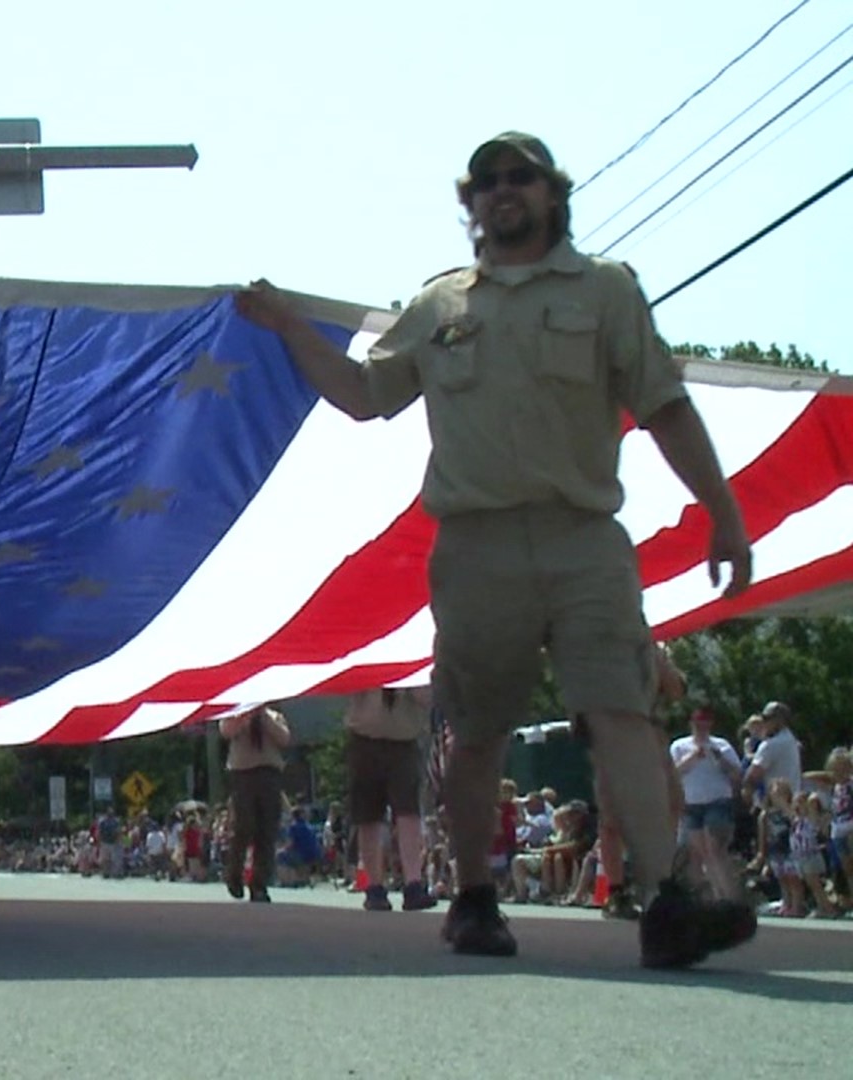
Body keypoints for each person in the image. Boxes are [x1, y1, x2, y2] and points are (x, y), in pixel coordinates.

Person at [237, 132, 756, 968]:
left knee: (623, 711)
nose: (504, 192)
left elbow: (664, 406)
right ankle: (474, 898)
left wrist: (725, 513)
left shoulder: (607, 290)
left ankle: (668, 901)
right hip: (475, 547)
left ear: (554, 194)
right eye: (487, 182)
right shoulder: (440, 306)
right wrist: (290, 327)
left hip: (584, 538)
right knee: (477, 731)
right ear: (468, 202)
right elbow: (366, 397)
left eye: (523, 178)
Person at [343, 686, 438, 912]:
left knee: (409, 813)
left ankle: (413, 884)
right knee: (368, 816)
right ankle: (374, 887)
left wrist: (406, 679)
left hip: (403, 742)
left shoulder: (415, 664)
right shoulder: (369, 655)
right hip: (364, 739)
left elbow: (428, 699)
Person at [218, 704, 291, 902]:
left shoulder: (274, 716)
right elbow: (226, 731)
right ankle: (234, 875)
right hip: (242, 774)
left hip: (269, 773)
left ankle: (259, 884)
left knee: (267, 831)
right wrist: (244, 716)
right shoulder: (234, 713)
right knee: (243, 827)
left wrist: (263, 717)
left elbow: (284, 739)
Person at [669, 707, 743, 899]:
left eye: (705, 724)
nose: (701, 727)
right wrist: (692, 757)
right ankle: (710, 896)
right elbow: (672, 774)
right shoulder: (679, 746)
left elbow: (737, 774)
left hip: (717, 802)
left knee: (715, 849)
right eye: (697, 724)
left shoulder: (722, 746)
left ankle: (728, 896)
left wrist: (719, 758)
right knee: (698, 852)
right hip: (691, 804)